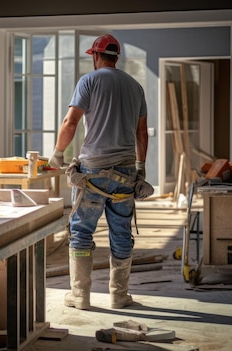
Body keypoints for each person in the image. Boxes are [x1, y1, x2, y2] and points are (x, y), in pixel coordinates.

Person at [49, 33, 149, 310]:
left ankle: (80, 296)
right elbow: (142, 132)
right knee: (121, 232)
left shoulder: (89, 81)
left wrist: (58, 153)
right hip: (127, 169)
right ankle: (120, 295)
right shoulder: (135, 86)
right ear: (116, 57)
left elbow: (71, 122)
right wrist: (140, 166)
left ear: (95, 56)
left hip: (93, 170)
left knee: (81, 231)